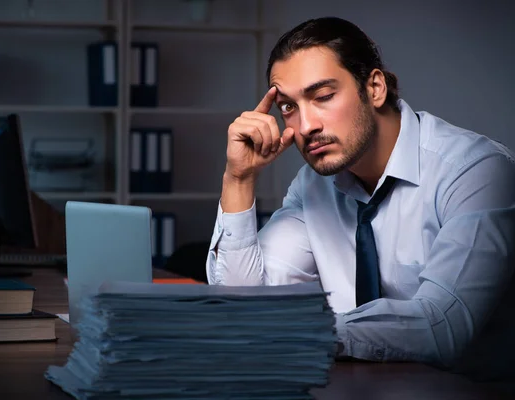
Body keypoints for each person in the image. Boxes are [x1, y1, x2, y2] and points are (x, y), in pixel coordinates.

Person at [206, 16, 515, 381]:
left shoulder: (477, 171)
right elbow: (244, 308)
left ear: (375, 87)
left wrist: (298, 330)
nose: (305, 127)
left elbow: (441, 327)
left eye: (322, 97)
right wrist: (239, 179)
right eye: (288, 107)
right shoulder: (313, 186)